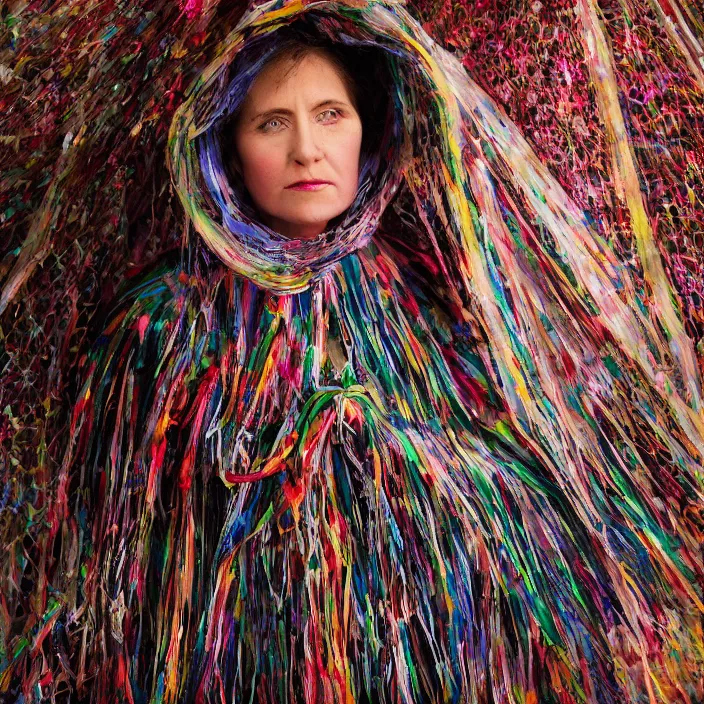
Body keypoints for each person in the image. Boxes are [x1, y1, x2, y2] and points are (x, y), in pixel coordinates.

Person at [3, 0, 704, 702]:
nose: (306, 149)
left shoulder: (423, 295)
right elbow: (116, 582)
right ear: (226, 147)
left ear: (368, 127)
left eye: (330, 114)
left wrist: (396, 454)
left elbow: (527, 502)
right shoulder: (160, 326)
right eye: (272, 123)